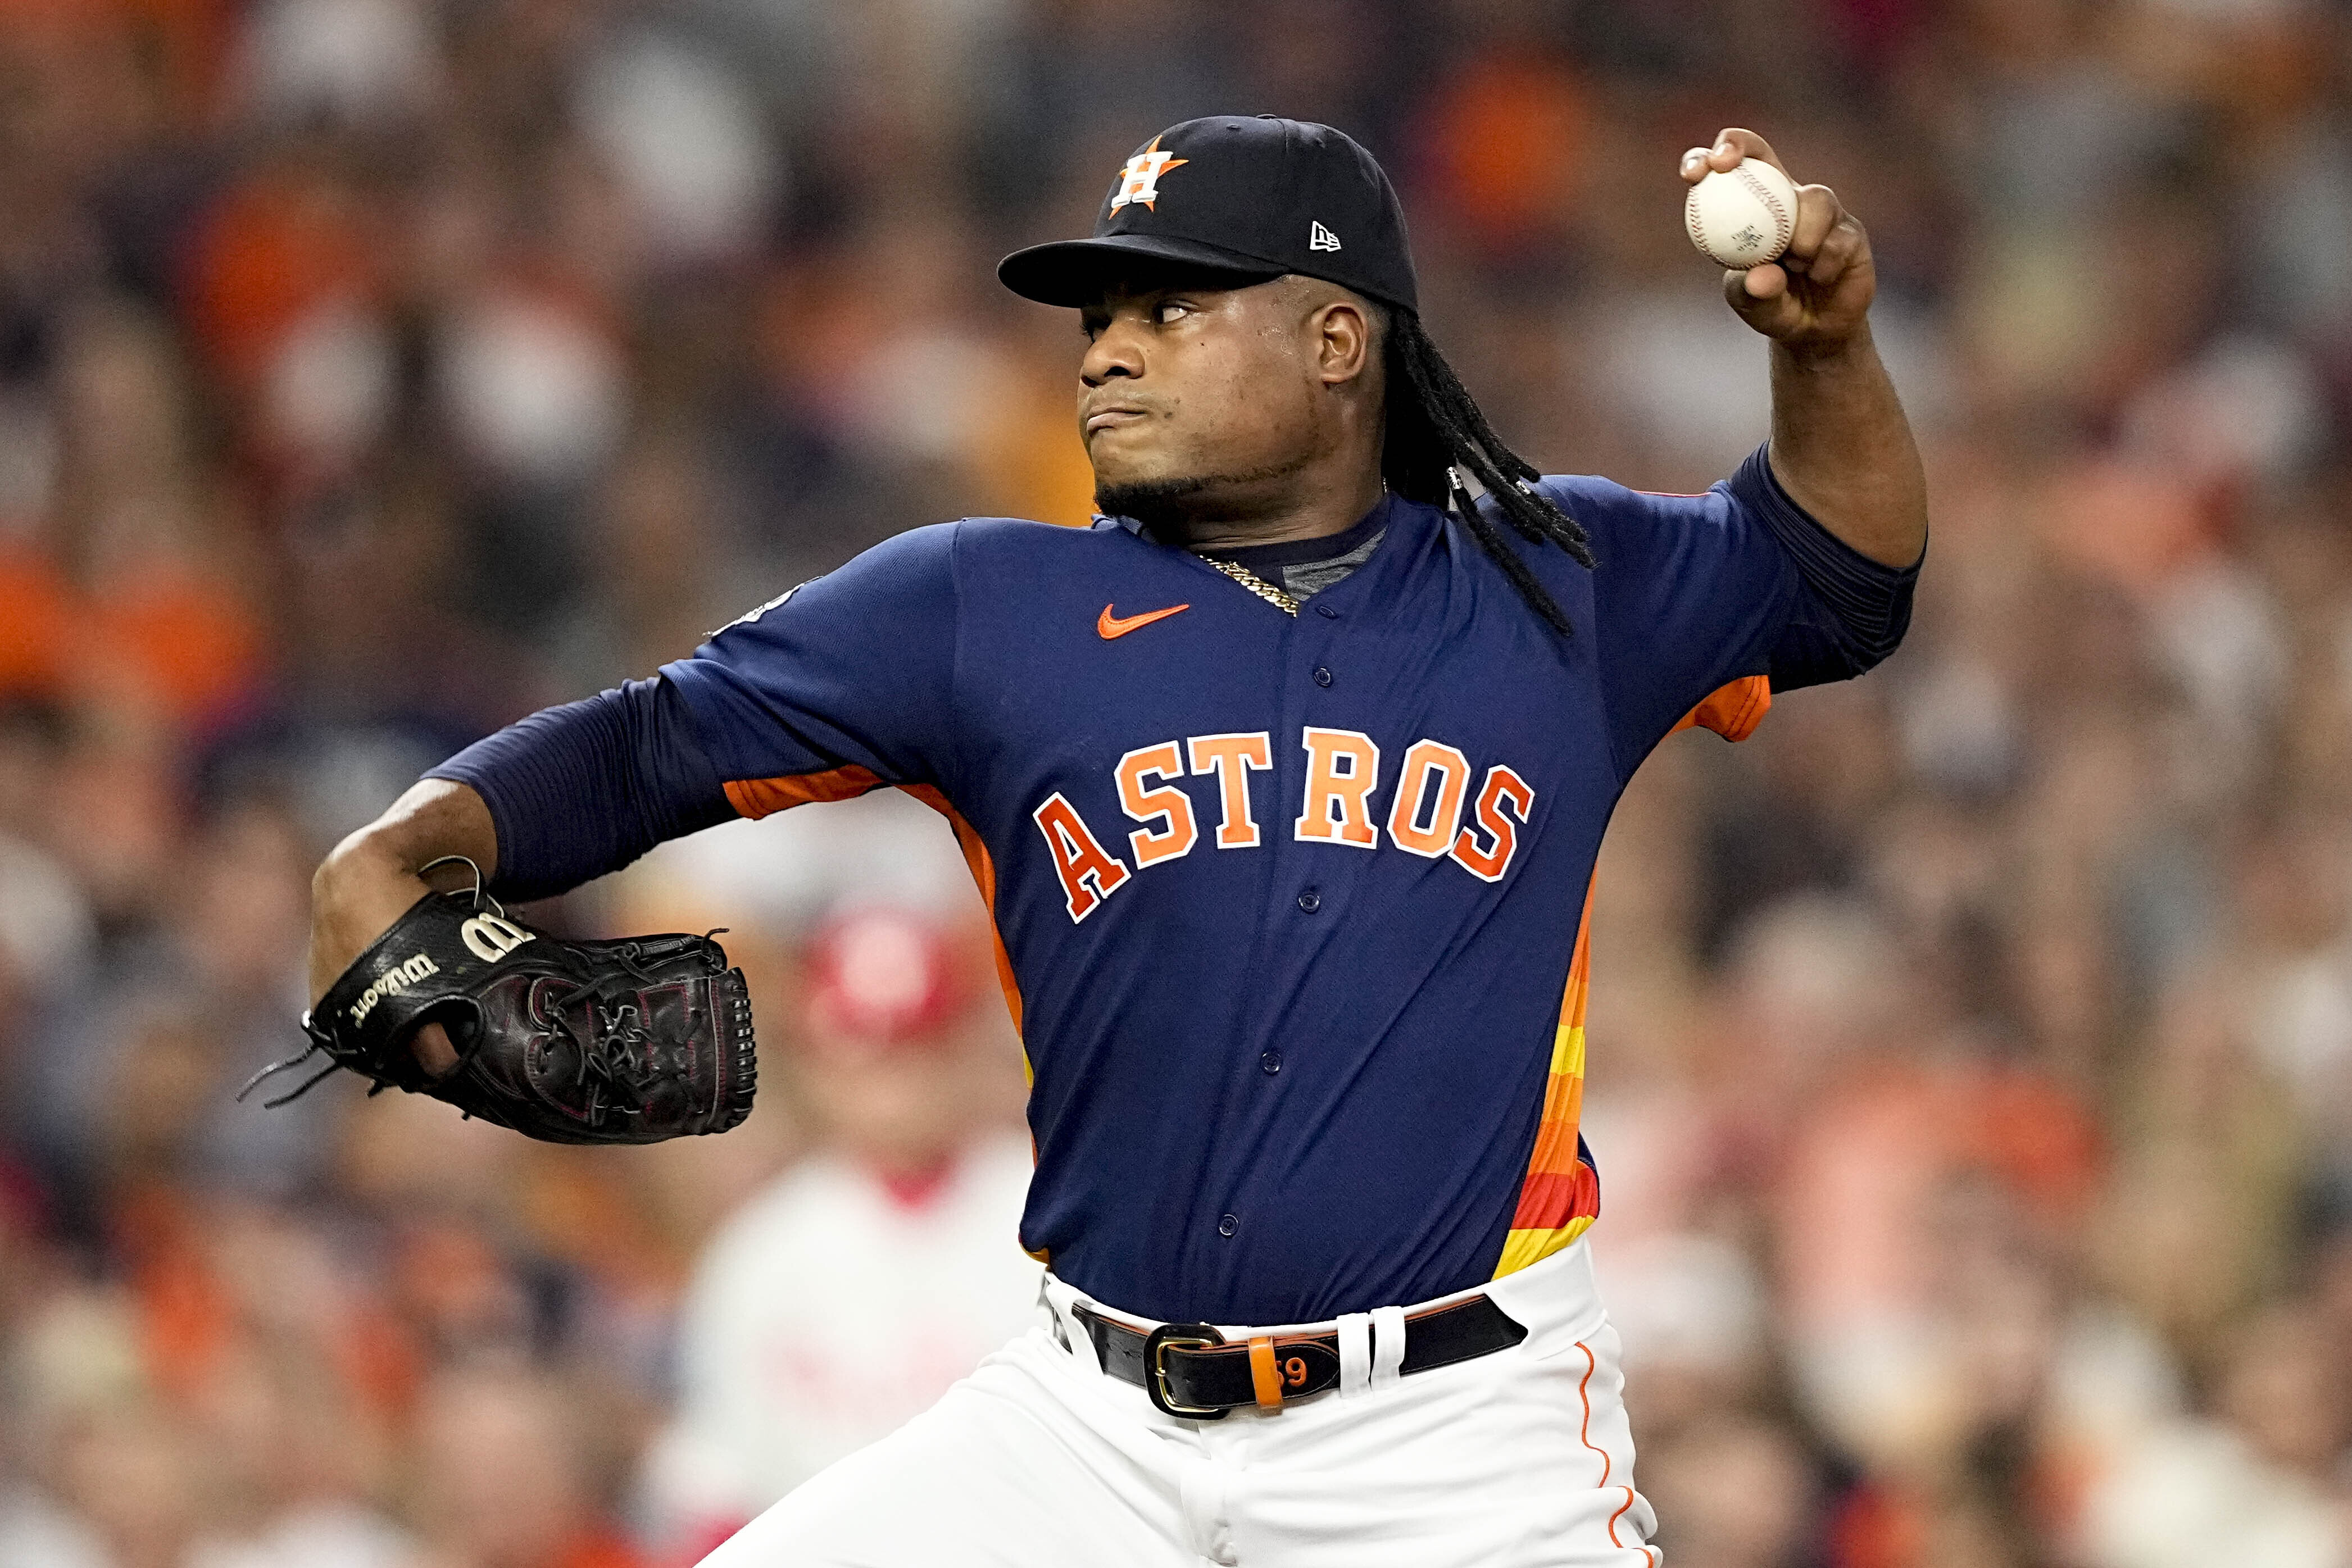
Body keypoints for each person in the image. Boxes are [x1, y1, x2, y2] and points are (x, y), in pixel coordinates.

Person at [307, 117, 1925, 1566]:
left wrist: (1829, 351)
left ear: (1337, 337)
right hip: (1086, 1422)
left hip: (1453, 1441)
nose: (1105, 355)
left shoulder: (1554, 584)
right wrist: (415, 835)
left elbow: (1838, 583)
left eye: (1170, 308)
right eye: (1098, 319)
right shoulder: (980, 606)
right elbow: (659, 736)